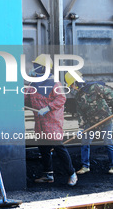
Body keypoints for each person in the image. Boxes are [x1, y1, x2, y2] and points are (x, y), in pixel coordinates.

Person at [25, 54, 77, 186]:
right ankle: (48, 174)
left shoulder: (54, 83)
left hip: (52, 122)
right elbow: (26, 97)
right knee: (43, 148)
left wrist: (48, 108)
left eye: (37, 66)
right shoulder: (33, 83)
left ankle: (72, 174)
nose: (34, 68)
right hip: (40, 123)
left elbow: (61, 99)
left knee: (59, 148)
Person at [65, 71, 113, 174]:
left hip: (105, 120)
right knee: (85, 142)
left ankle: (112, 166)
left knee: (108, 143)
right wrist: (81, 127)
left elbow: (111, 95)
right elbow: (80, 113)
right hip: (91, 123)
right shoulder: (78, 96)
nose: (73, 87)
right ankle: (85, 166)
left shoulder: (95, 87)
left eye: (73, 84)